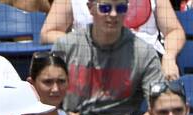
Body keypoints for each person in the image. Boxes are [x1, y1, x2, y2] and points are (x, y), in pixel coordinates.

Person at [52, 0, 165, 115]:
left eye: (120, 8)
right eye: (105, 8)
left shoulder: (143, 52)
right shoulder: (66, 46)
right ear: (90, 8)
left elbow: (160, 104)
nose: (113, 14)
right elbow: (46, 97)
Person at [41, 0, 185, 80]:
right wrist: (83, 42)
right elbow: (48, 33)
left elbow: (174, 31)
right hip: (93, 64)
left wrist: (169, 57)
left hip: (146, 61)